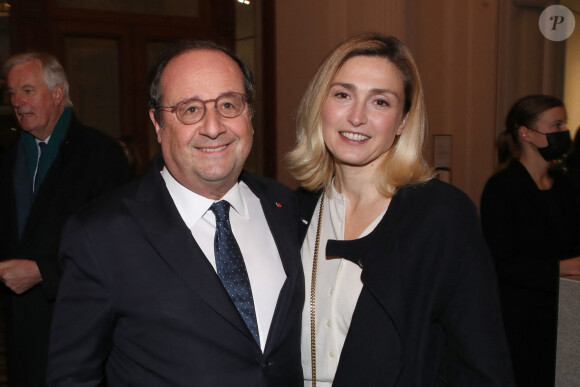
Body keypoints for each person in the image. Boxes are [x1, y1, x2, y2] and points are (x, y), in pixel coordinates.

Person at [47, 40, 304, 386]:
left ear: (250, 115)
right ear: (157, 123)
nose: (213, 127)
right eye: (190, 109)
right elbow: (72, 378)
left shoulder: (285, 207)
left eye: (229, 104)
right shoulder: (100, 235)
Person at [286, 33, 515, 387]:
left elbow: (481, 367)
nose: (357, 116)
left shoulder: (442, 217)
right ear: (321, 105)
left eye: (380, 102)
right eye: (343, 94)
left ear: (403, 122)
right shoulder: (291, 211)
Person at [0, 52, 130, 386]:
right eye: (12, 93)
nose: (17, 101)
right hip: (20, 334)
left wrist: (44, 271)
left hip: (80, 329)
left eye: (27, 90)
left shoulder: (100, 155)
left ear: (57, 94)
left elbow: (120, 245)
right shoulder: (9, 159)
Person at [481, 95, 580, 387]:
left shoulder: (564, 185)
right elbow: (501, 264)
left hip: (565, 314)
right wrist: (560, 268)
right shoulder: (502, 189)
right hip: (520, 321)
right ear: (525, 133)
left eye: (564, 124)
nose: (563, 132)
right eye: (556, 125)